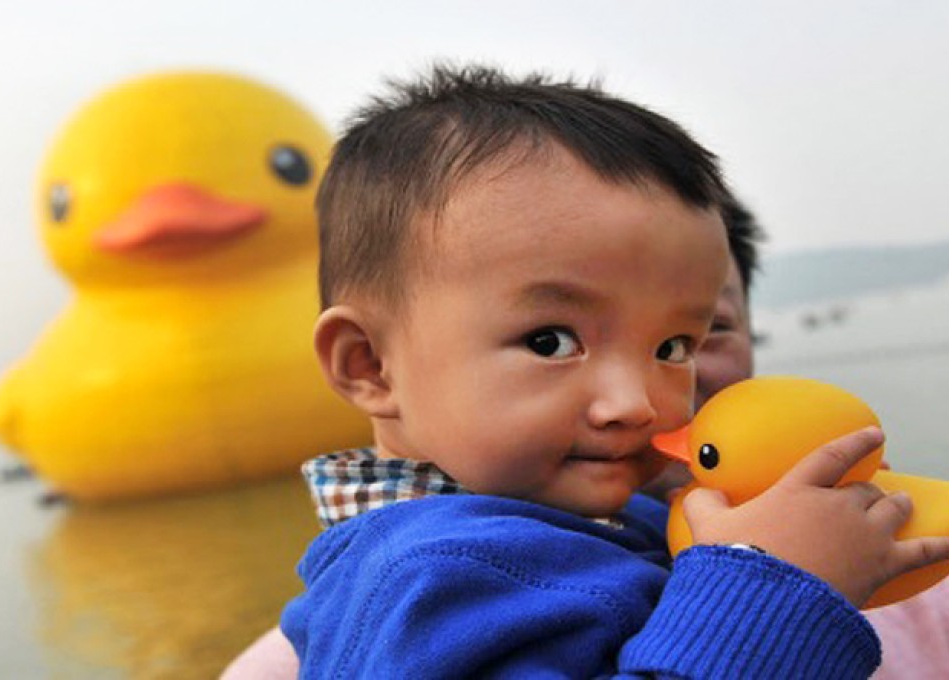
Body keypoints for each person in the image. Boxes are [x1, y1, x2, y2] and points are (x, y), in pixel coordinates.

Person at [229, 65, 949, 678]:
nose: (635, 403)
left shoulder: (581, 518)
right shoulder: (426, 583)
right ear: (370, 366)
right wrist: (775, 583)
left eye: (673, 346)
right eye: (550, 340)